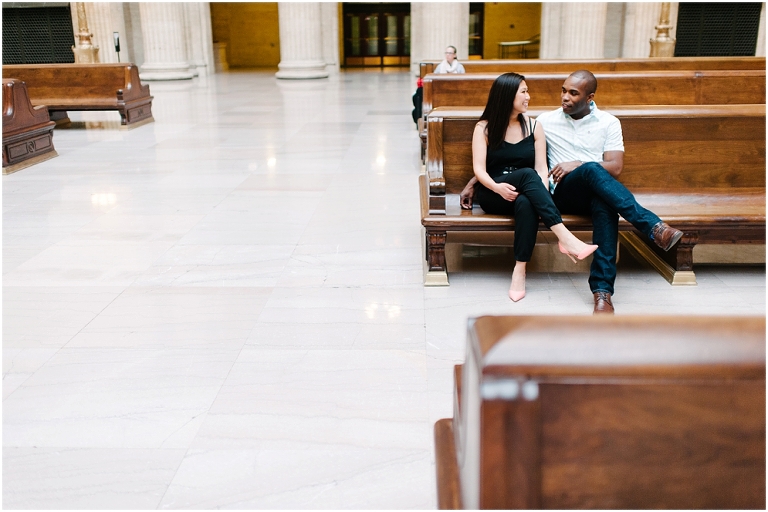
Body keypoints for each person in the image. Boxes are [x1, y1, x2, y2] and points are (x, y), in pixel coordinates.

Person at [460, 70, 683, 314]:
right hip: (560, 193)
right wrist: (476, 182)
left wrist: (577, 164)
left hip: (591, 188)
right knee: (589, 174)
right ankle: (653, 227)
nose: (565, 97)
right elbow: (507, 159)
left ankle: (602, 292)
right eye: (563, 91)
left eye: (573, 93)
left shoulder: (609, 123)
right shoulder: (546, 120)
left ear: (590, 97)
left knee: (602, 197)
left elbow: (615, 168)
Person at [469, 72, 598, 302]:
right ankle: (564, 237)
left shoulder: (534, 126)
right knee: (528, 177)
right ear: (508, 95)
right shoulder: (484, 128)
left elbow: (541, 168)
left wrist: (542, 197)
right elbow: (479, 170)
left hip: (524, 191)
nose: (529, 97)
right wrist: (497, 188)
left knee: (527, 201)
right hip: (493, 193)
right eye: (524, 92)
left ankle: (519, 270)